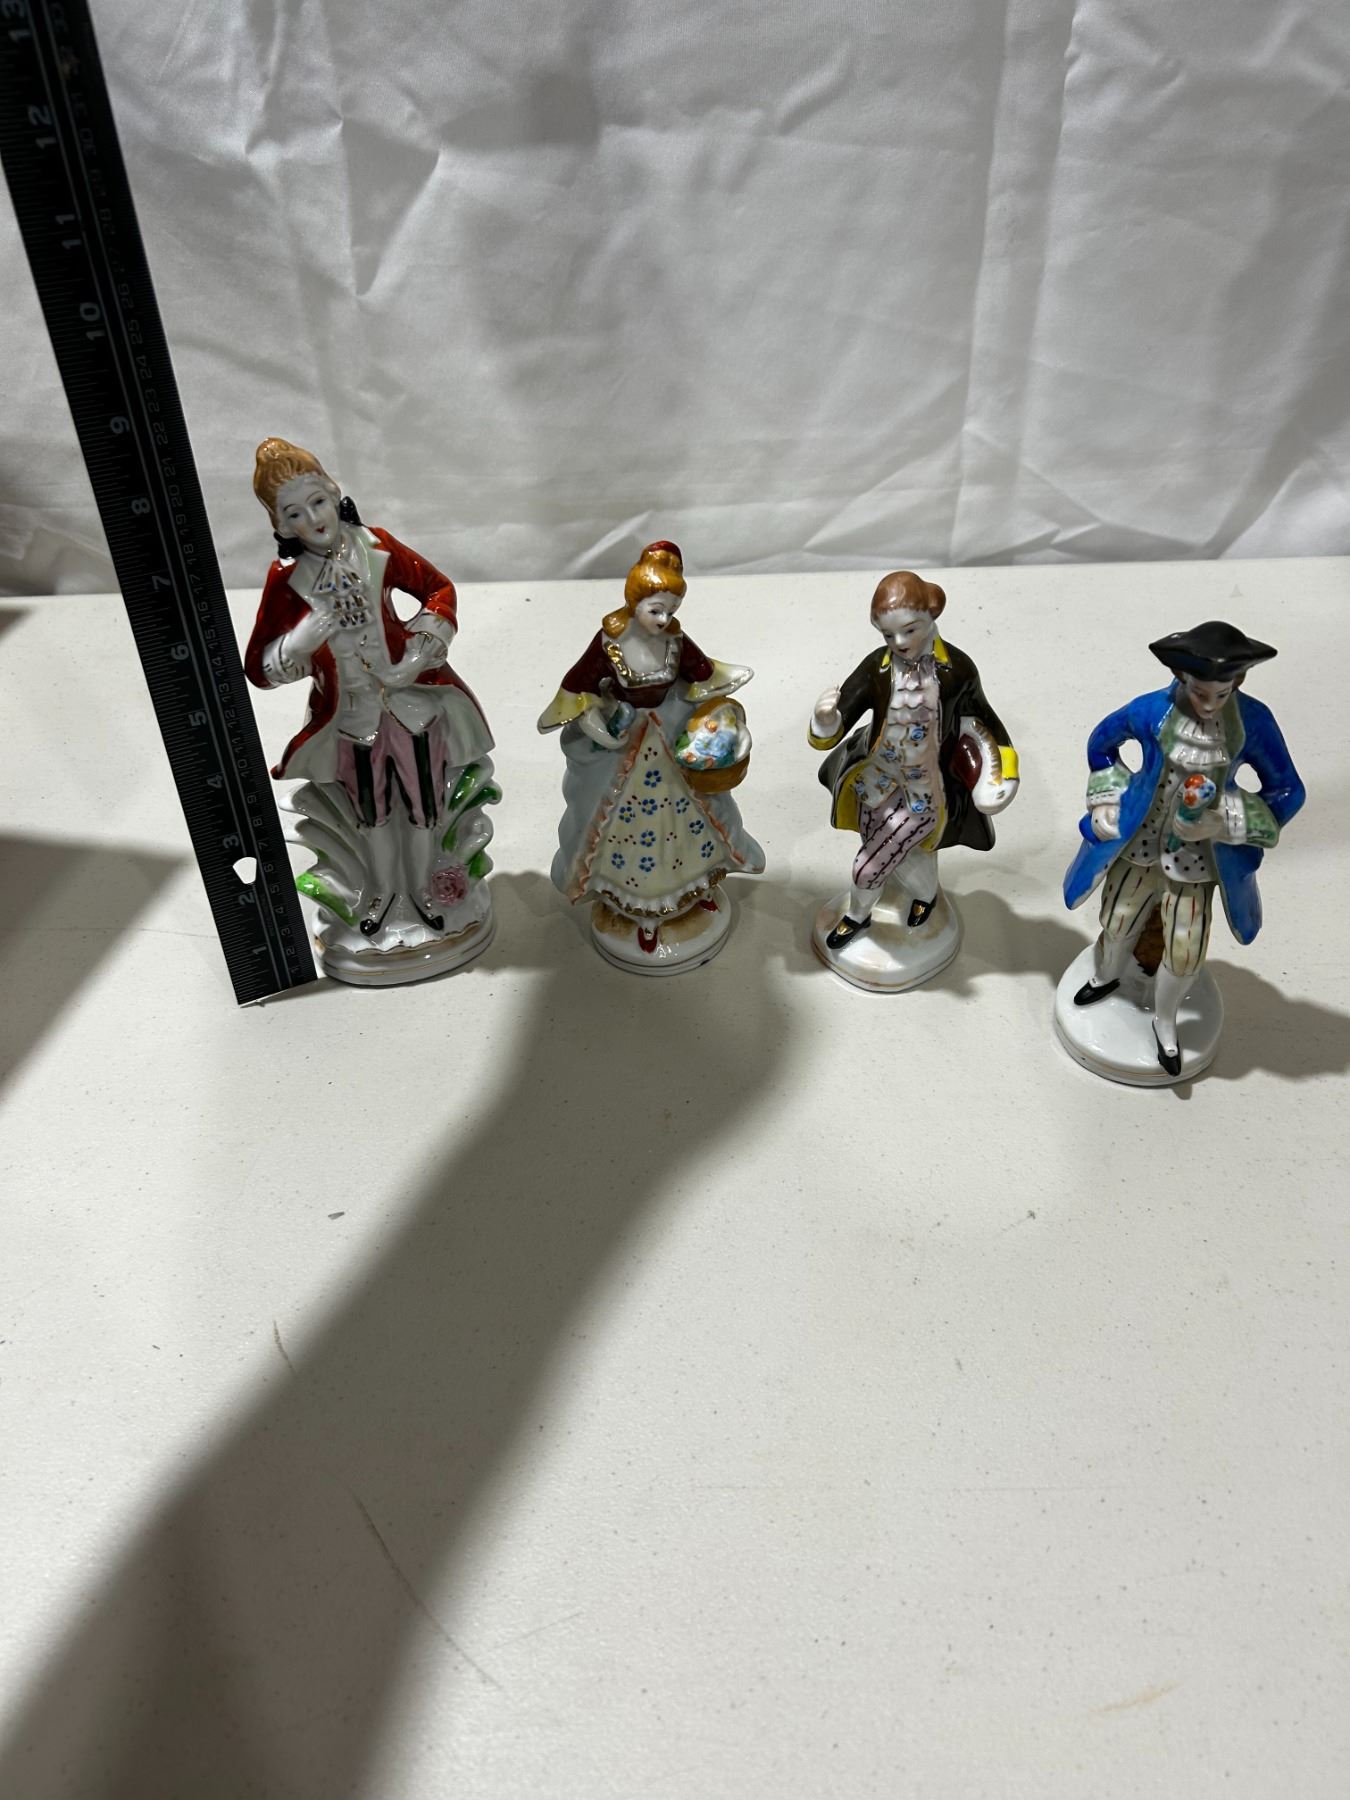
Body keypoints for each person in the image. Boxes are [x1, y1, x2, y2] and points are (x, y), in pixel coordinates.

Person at [245, 439, 497, 977]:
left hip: (411, 707)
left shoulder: (374, 545)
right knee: (371, 812)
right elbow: (259, 668)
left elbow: (438, 589)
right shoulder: (287, 579)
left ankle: (425, 891)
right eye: (294, 513)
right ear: (280, 523)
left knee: (425, 805)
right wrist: (300, 641)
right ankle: (380, 895)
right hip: (351, 719)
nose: (313, 519)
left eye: (317, 501)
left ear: (333, 492)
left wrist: (415, 657)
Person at [1063, 620, 1304, 1075]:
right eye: (1199, 691)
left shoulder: (1253, 722)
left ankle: (1166, 1020)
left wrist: (1225, 820)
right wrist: (1108, 800)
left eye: (1222, 693)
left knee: (1186, 948)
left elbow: (1287, 790)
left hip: (1197, 863)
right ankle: (1107, 975)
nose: (1209, 704)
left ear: (1238, 683)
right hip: (1141, 844)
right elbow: (1101, 745)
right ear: (1181, 677)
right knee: (1118, 918)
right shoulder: (1151, 711)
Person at [538, 541, 764, 966]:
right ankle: (642, 911)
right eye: (656, 610)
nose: (663, 620)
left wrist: (722, 719)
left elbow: (703, 674)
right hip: (628, 748)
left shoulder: (675, 640)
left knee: (693, 819)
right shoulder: (610, 642)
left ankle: (697, 890)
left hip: (670, 735)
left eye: (671, 610)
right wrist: (600, 726)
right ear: (635, 601)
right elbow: (579, 687)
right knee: (626, 826)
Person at [809, 571, 1018, 951]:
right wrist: (826, 719)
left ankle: (857, 915)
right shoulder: (878, 666)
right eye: (889, 635)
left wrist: (1003, 774)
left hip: (926, 792)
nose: (900, 643)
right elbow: (843, 713)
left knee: (869, 865)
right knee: (904, 853)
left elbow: (986, 721)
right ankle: (926, 894)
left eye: (909, 630)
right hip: (875, 780)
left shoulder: (957, 670)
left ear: (932, 614)